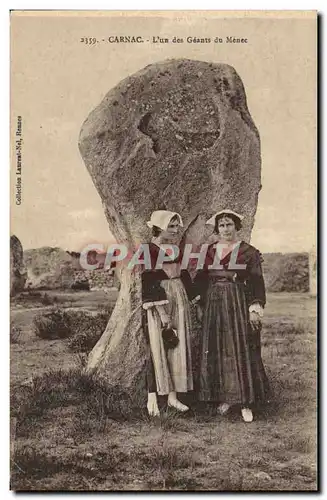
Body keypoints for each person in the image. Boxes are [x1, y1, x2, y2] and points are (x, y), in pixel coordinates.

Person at [194, 209, 270, 422]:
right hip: (214, 303)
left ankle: (245, 402)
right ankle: (225, 398)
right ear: (217, 229)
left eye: (229, 224)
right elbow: (200, 279)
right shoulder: (208, 251)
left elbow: (256, 282)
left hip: (237, 302)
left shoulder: (248, 252)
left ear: (237, 227)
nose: (225, 229)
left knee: (240, 348)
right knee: (218, 348)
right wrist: (200, 303)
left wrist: (255, 309)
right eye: (221, 225)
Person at [142, 210, 200, 417]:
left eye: (177, 226)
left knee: (176, 345)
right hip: (160, 301)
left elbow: (183, 275)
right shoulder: (148, 250)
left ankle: (173, 398)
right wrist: (162, 312)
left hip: (179, 297)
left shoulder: (175, 249)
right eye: (171, 226)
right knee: (158, 346)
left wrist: (194, 298)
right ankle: (152, 397)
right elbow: (148, 282)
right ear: (159, 228)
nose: (176, 231)